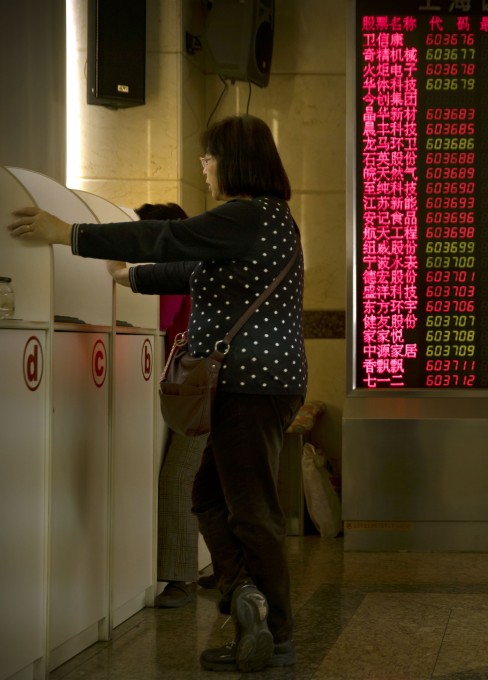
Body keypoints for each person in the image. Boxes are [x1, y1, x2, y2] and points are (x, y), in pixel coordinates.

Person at [8, 114, 307, 673]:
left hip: (247, 383)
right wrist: (131, 279)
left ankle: (275, 629)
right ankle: (249, 603)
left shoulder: (246, 214)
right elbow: (195, 269)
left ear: (237, 160)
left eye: (210, 156)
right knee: (210, 497)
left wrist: (68, 234)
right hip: (255, 383)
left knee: (251, 509)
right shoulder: (264, 221)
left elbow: (166, 236)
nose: (204, 166)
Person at [130, 202, 206, 609]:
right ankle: (218, 568)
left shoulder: (177, 273)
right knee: (207, 479)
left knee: (179, 477)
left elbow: (156, 322)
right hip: (197, 386)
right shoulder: (192, 266)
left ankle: (180, 577)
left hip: (196, 389)